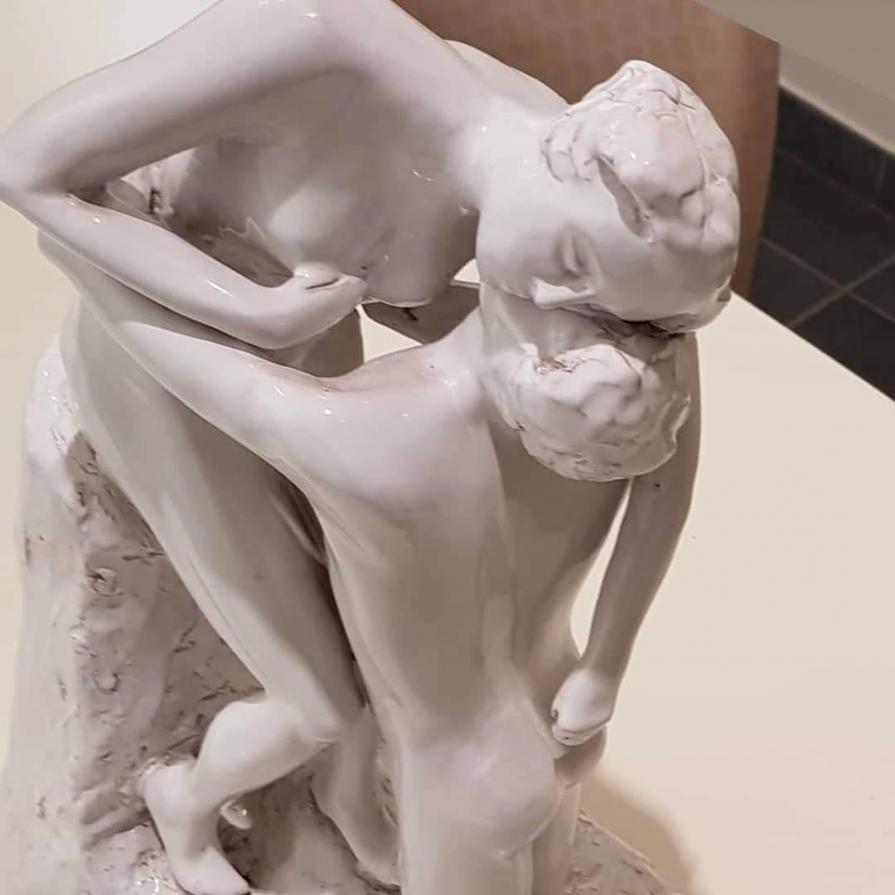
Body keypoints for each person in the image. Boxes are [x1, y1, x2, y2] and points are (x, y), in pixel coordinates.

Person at [0, 2, 738, 892]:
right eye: (575, 271)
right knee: (316, 691)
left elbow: (657, 408)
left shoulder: (544, 206)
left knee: (366, 653)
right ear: (573, 179)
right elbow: (25, 167)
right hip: (169, 360)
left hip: (307, 366)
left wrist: (607, 659)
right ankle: (181, 806)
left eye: (594, 303)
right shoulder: (316, 37)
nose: (557, 308)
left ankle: (337, 802)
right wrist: (246, 311)